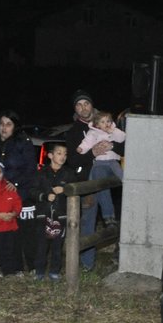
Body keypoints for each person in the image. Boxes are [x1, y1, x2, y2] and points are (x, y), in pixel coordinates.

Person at [0, 110, 38, 271]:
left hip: (21, 193)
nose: (4, 128)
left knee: (25, 232)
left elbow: (30, 169)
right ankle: (8, 265)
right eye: (1, 124)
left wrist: (16, 183)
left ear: (15, 126)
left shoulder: (23, 142)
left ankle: (33, 265)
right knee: (4, 232)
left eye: (8, 124)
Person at [26, 141, 76, 281]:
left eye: (65, 154)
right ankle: (40, 271)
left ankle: (55, 271)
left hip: (60, 215)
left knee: (57, 246)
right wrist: (44, 196)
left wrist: (65, 190)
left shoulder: (69, 174)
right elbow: (32, 191)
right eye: (59, 153)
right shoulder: (41, 173)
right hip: (43, 215)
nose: (63, 157)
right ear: (50, 155)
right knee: (41, 245)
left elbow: (76, 189)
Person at [63, 89, 100, 270]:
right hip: (86, 180)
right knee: (87, 222)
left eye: (86, 103)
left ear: (92, 105)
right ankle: (87, 263)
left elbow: (120, 147)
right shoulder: (73, 132)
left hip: (108, 178)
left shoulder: (104, 124)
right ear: (75, 109)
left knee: (115, 218)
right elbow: (73, 160)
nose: (83, 107)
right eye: (79, 104)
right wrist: (93, 152)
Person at [77, 109, 125, 227]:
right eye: (103, 122)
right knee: (100, 183)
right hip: (100, 163)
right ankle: (109, 216)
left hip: (113, 162)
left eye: (108, 121)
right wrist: (81, 148)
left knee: (125, 178)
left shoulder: (113, 131)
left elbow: (123, 137)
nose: (106, 124)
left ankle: (132, 194)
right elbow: (87, 142)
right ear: (97, 124)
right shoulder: (93, 133)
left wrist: (113, 130)